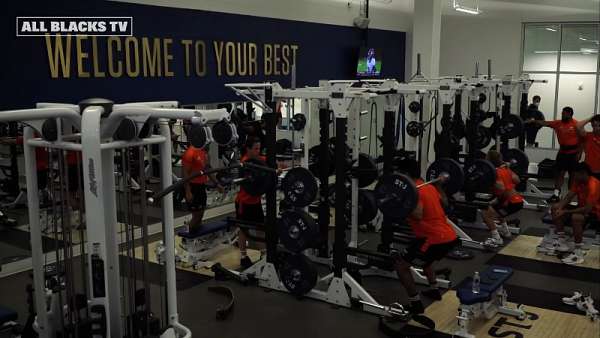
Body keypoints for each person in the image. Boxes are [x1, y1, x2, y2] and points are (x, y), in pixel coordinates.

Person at [392, 159, 459, 313]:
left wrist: (401, 200)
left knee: (401, 266)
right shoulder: (428, 186)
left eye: (400, 174)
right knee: (426, 259)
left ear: (406, 174)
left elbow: (417, 214)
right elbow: (445, 204)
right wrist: (439, 186)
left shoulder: (415, 190)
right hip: (448, 236)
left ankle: (415, 304)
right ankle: (434, 289)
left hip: (433, 239)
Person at [546, 162, 600, 265]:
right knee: (555, 207)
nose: (573, 177)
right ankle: (561, 241)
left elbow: (587, 209)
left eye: (576, 175)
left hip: (594, 212)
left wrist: (566, 211)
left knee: (576, 217)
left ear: (583, 174)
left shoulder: (593, 185)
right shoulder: (578, 181)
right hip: (582, 207)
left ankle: (578, 252)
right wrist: (560, 207)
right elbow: (569, 197)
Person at [526, 106, 581, 202]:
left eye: (564, 114)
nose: (562, 115)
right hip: (563, 152)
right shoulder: (558, 123)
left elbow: (582, 140)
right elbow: (545, 123)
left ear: (570, 114)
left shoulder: (576, 124)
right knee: (560, 173)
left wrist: (579, 153)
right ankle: (556, 194)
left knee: (573, 175)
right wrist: (533, 121)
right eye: (562, 113)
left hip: (573, 153)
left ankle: (570, 196)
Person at [235, 137, 267, 269]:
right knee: (243, 230)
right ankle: (243, 256)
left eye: (259, 148)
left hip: (255, 202)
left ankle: (264, 255)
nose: (258, 151)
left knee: (260, 228)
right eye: (256, 149)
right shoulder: (245, 164)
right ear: (248, 149)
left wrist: (277, 167)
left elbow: (267, 162)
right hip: (244, 202)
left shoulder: (258, 159)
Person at [482, 150, 524, 246]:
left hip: (510, 202)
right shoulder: (505, 169)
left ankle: (497, 238)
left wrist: (492, 182)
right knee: (497, 209)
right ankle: (506, 233)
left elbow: (501, 188)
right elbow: (517, 180)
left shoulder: (495, 173)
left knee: (485, 213)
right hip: (518, 201)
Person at [181, 144, 223, 235]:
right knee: (197, 216)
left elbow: (207, 169)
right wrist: (188, 191)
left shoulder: (204, 152)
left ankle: (196, 239)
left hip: (201, 186)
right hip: (192, 187)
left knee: (200, 216)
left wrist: (217, 184)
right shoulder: (190, 153)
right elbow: (185, 174)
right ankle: (186, 236)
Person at [576, 115, 600, 179]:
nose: (596, 128)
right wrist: (590, 119)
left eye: (598, 126)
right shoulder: (588, 136)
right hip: (589, 170)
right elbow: (578, 126)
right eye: (594, 126)